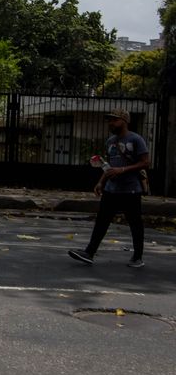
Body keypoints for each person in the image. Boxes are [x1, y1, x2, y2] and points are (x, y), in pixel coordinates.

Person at [68, 108, 149, 268]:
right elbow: (109, 165)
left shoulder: (136, 139)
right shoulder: (110, 141)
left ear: (124, 121)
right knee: (102, 221)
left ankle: (137, 257)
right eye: (109, 120)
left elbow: (145, 162)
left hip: (131, 190)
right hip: (111, 189)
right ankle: (89, 253)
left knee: (135, 223)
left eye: (114, 120)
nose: (111, 123)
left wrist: (123, 170)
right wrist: (101, 182)